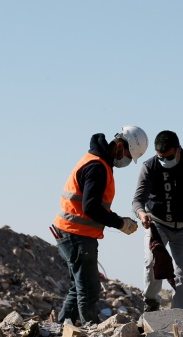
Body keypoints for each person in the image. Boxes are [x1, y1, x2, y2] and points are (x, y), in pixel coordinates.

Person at [53, 126, 149, 325]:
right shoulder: (97, 167)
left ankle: (61, 327)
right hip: (76, 234)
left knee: (79, 285)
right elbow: (91, 208)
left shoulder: (98, 162)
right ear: (120, 147)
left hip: (72, 231)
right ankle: (91, 331)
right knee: (88, 287)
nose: (127, 161)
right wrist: (120, 223)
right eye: (129, 156)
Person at [132, 130, 183, 312]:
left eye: (169, 157)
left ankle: (180, 313)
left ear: (179, 149)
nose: (165, 161)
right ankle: (151, 302)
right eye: (161, 157)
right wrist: (141, 214)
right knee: (152, 262)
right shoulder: (150, 166)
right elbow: (137, 200)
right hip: (158, 224)